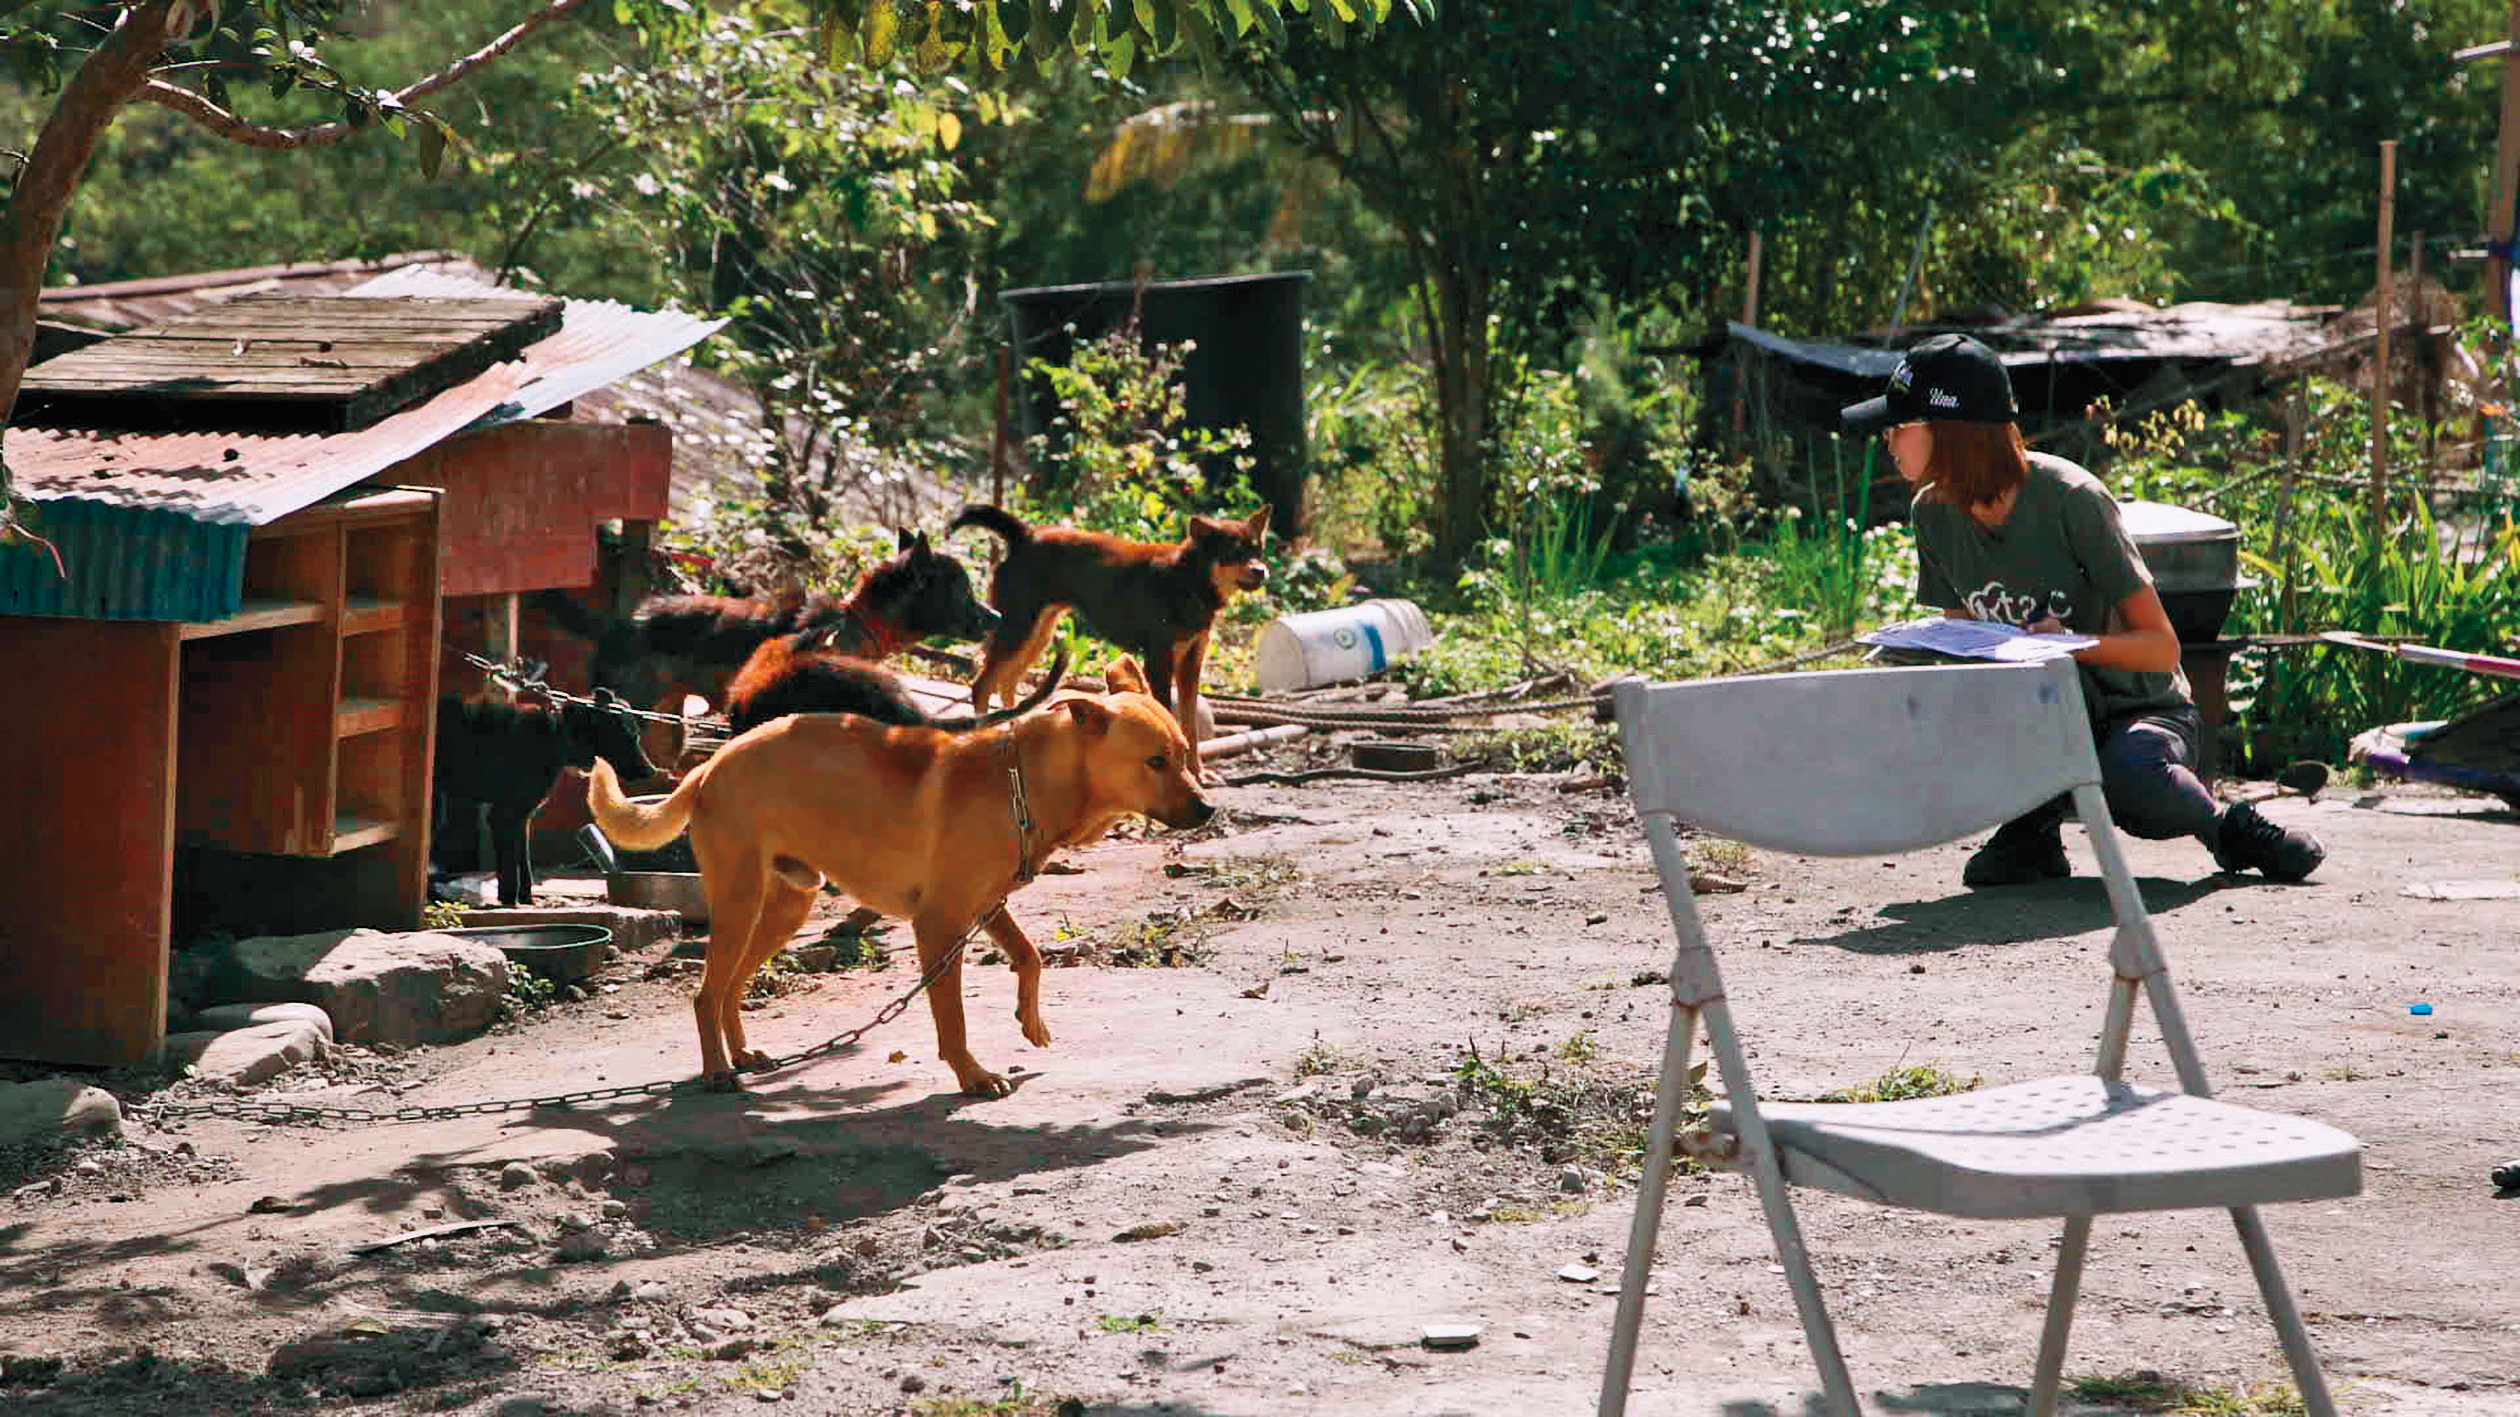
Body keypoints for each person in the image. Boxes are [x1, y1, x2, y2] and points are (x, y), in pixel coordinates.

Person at [1840, 333, 2324, 886]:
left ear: (1951, 433)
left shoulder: (2072, 498)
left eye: (1900, 426)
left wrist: (2064, 643)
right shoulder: (1932, 514)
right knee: (1936, 728)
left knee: (2133, 780)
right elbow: (1965, 641)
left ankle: (2228, 829)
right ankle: (2033, 833)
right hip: (2037, 711)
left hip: (2137, 712)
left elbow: (2161, 649)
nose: (1888, 439)